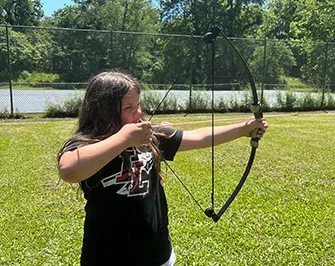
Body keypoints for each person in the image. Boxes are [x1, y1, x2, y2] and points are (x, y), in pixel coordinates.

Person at [57, 71, 268, 266]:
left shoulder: (148, 138)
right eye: (128, 108)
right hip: (107, 257)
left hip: (157, 254)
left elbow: (198, 137)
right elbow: (68, 170)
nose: (138, 112)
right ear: (103, 111)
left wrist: (243, 129)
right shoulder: (89, 143)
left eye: (138, 105)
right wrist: (123, 139)